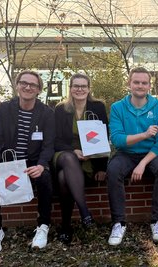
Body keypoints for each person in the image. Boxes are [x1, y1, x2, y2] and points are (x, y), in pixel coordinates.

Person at [0, 70, 55, 254]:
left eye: (33, 84)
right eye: (24, 83)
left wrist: (41, 165)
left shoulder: (46, 113)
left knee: (45, 178)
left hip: (32, 162)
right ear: (17, 86)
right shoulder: (4, 109)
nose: (28, 87)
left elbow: (48, 145)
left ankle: (43, 226)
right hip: (9, 161)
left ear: (39, 89)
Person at [106, 67, 158, 245]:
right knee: (113, 170)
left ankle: (157, 221)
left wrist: (143, 163)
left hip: (151, 154)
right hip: (126, 154)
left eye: (144, 83)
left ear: (150, 86)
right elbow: (118, 140)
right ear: (129, 84)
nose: (140, 86)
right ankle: (119, 222)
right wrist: (144, 134)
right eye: (136, 82)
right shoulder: (118, 107)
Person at [54, 73, 109, 244]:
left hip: (89, 158)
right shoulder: (60, 109)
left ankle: (65, 226)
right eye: (76, 86)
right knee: (69, 158)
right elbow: (54, 139)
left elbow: (104, 137)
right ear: (70, 89)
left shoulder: (98, 107)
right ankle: (85, 212)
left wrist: (102, 167)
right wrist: (73, 150)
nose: (79, 89)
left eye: (83, 86)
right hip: (64, 154)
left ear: (89, 88)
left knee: (63, 178)